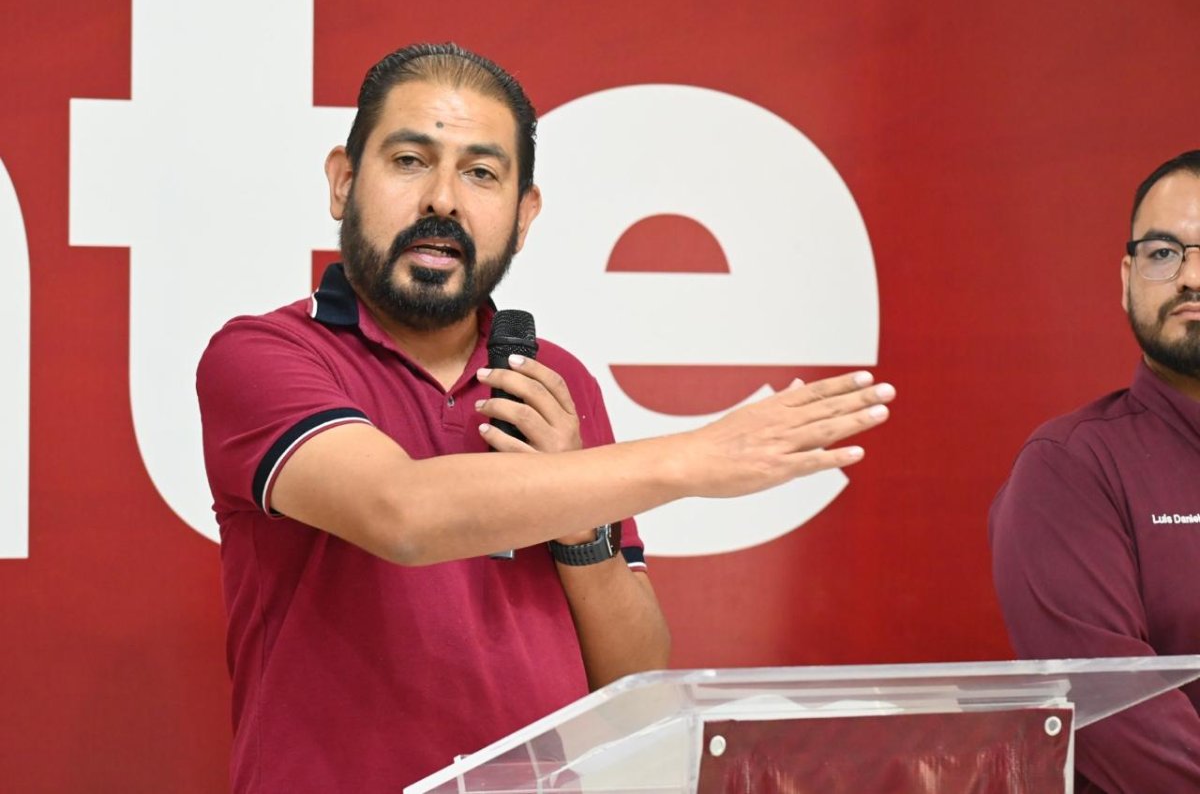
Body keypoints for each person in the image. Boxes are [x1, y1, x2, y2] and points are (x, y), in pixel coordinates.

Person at [197, 42, 896, 793]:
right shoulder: (264, 356)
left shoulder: (555, 382)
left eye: (481, 173)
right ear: (343, 181)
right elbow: (400, 513)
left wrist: (578, 521)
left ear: (524, 216)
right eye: (409, 160)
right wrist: (693, 457)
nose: (443, 200)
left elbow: (630, 677)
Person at [990, 150, 1200, 792]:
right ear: (1127, 278)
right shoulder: (1071, 469)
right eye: (1164, 253)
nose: (1191, 277)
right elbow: (1122, 723)